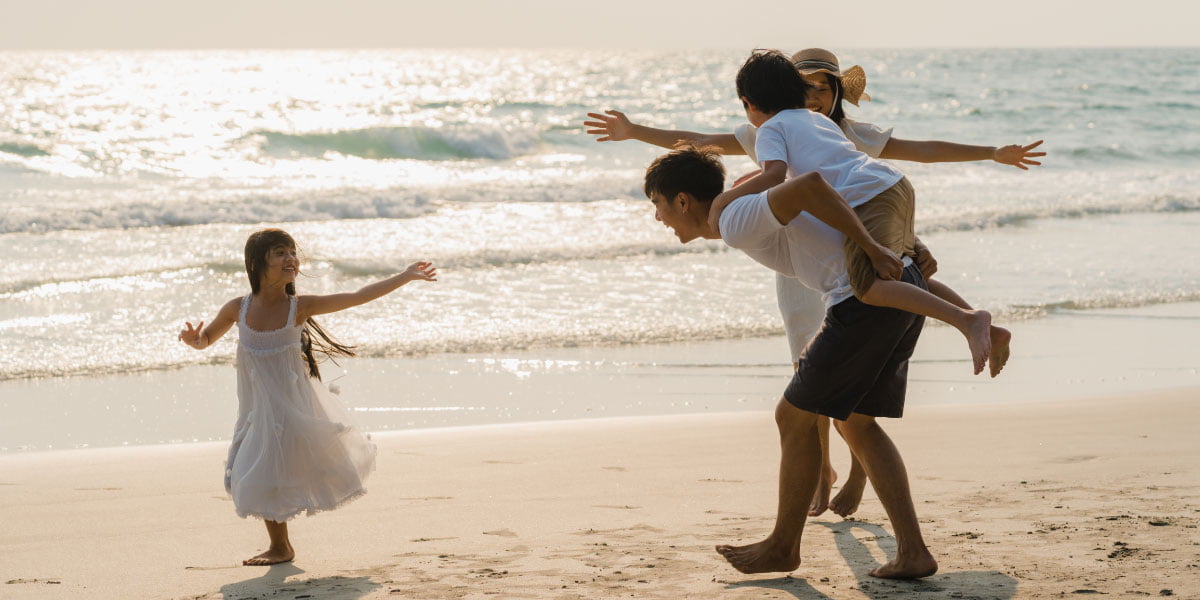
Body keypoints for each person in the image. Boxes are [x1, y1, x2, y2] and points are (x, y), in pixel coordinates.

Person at [586, 48, 1040, 515]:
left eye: (826, 87)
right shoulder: (795, 129)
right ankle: (821, 470)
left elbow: (882, 168)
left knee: (852, 335)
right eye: (810, 87)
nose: (817, 95)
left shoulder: (801, 133)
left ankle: (966, 324)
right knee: (815, 373)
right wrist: (635, 131)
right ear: (795, 91)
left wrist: (987, 155)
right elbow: (700, 144)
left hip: (844, 235)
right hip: (811, 247)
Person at [644, 144, 937, 578]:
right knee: (855, 421)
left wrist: (895, 251)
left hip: (862, 304)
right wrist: (909, 251)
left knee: (792, 417)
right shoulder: (738, 211)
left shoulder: (735, 218)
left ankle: (783, 546)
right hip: (887, 296)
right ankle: (913, 552)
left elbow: (810, 186)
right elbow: (824, 208)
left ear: (682, 201)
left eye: (658, 205)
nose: (657, 218)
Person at [178, 228, 437, 566]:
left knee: (274, 469)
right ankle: (281, 546)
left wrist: (405, 276)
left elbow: (358, 295)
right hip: (257, 409)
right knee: (255, 471)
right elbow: (206, 340)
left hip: (293, 407)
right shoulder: (237, 309)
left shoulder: (298, 308)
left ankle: (280, 547)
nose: (290, 259)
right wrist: (194, 340)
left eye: (292, 252)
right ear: (257, 264)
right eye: (280, 253)